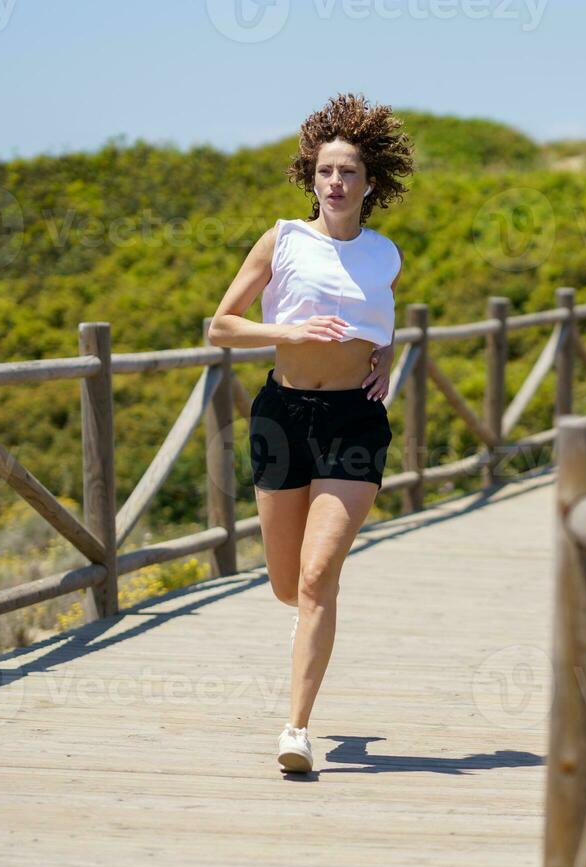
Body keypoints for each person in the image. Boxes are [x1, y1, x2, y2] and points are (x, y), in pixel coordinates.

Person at [207, 92, 414, 773]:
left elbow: (381, 319)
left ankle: (296, 729)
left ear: (369, 183)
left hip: (355, 420)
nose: (336, 182)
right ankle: (306, 638)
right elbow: (221, 326)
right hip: (282, 416)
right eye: (326, 171)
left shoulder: (385, 255)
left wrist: (382, 356)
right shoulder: (283, 240)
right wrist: (286, 330)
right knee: (286, 584)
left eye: (349, 172)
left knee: (319, 577)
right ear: (311, 177)